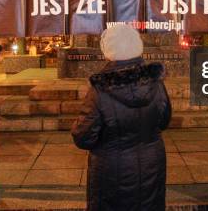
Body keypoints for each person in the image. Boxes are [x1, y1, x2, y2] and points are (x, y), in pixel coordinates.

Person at [71, 24, 172, 210]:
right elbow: (164, 121)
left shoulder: (100, 89)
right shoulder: (156, 82)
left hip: (112, 171)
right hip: (152, 164)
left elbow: (83, 137)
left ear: (108, 50)